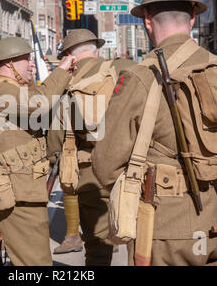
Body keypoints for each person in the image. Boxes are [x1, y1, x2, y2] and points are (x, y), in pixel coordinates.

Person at [92, 0, 217, 266]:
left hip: (167, 228)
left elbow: (104, 165)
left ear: (147, 20)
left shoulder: (141, 78)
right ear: (192, 19)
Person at [0, 37, 72, 265]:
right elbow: (41, 103)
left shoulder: (15, 91)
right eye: (26, 60)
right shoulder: (1, 93)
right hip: (18, 192)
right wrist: (61, 70)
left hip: (27, 189)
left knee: (36, 259)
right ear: (9, 64)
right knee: (35, 262)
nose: (31, 64)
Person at [47, 29, 136, 264]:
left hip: (89, 173)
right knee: (136, 238)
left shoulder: (66, 84)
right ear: (96, 50)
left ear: (69, 56)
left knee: (97, 245)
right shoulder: (122, 68)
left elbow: (56, 140)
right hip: (128, 169)